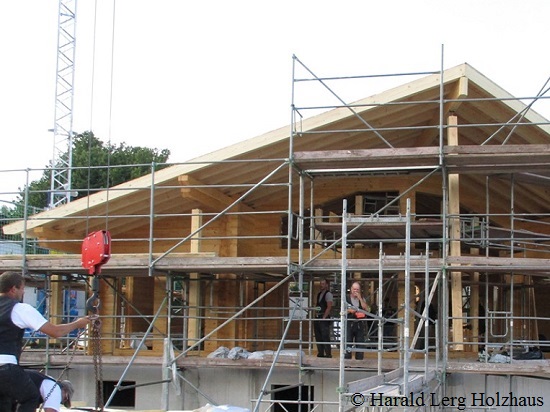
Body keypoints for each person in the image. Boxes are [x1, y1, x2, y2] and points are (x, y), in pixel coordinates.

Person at [0, 271, 90, 412]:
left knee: (5, 402)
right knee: (30, 397)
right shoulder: (19, 309)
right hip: (5, 365)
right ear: (13, 289)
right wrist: (77, 324)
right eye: (22, 289)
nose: (23, 292)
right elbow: (55, 332)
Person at [3, 371, 74, 412]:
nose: (60, 402)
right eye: (63, 400)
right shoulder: (55, 388)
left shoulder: (44, 382)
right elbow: (51, 410)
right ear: (65, 392)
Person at [345, 281, 369, 360]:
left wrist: (360, 298)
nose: (355, 291)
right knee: (348, 342)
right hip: (349, 323)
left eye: (357, 289)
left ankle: (359, 362)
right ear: (351, 289)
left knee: (360, 343)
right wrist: (349, 311)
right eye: (354, 289)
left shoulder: (362, 298)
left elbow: (366, 309)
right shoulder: (346, 298)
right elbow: (342, 311)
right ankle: (347, 362)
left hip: (359, 323)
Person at [313, 278, 333, 358]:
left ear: (327, 285)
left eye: (323, 284)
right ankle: (320, 352)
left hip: (323, 317)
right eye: (321, 283)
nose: (321, 285)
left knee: (325, 335)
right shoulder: (319, 294)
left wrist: (324, 317)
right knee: (318, 335)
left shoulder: (328, 294)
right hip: (318, 316)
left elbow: (329, 306)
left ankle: (328, 353)